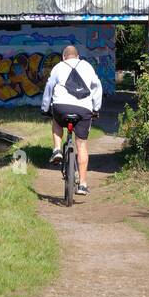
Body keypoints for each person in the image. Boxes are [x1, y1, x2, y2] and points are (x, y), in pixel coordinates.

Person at [40, 44, 102, 196]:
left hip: (61, 107)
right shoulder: (87, 66)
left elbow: (49, 87)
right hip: (83, 109)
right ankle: (82, 184)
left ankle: (57, 149)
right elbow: (97, 86)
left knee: (56, 120)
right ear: (78, 56)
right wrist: (96, 108)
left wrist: (45, 107)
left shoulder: (59, 67)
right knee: (81, 145)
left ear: (64, 57)